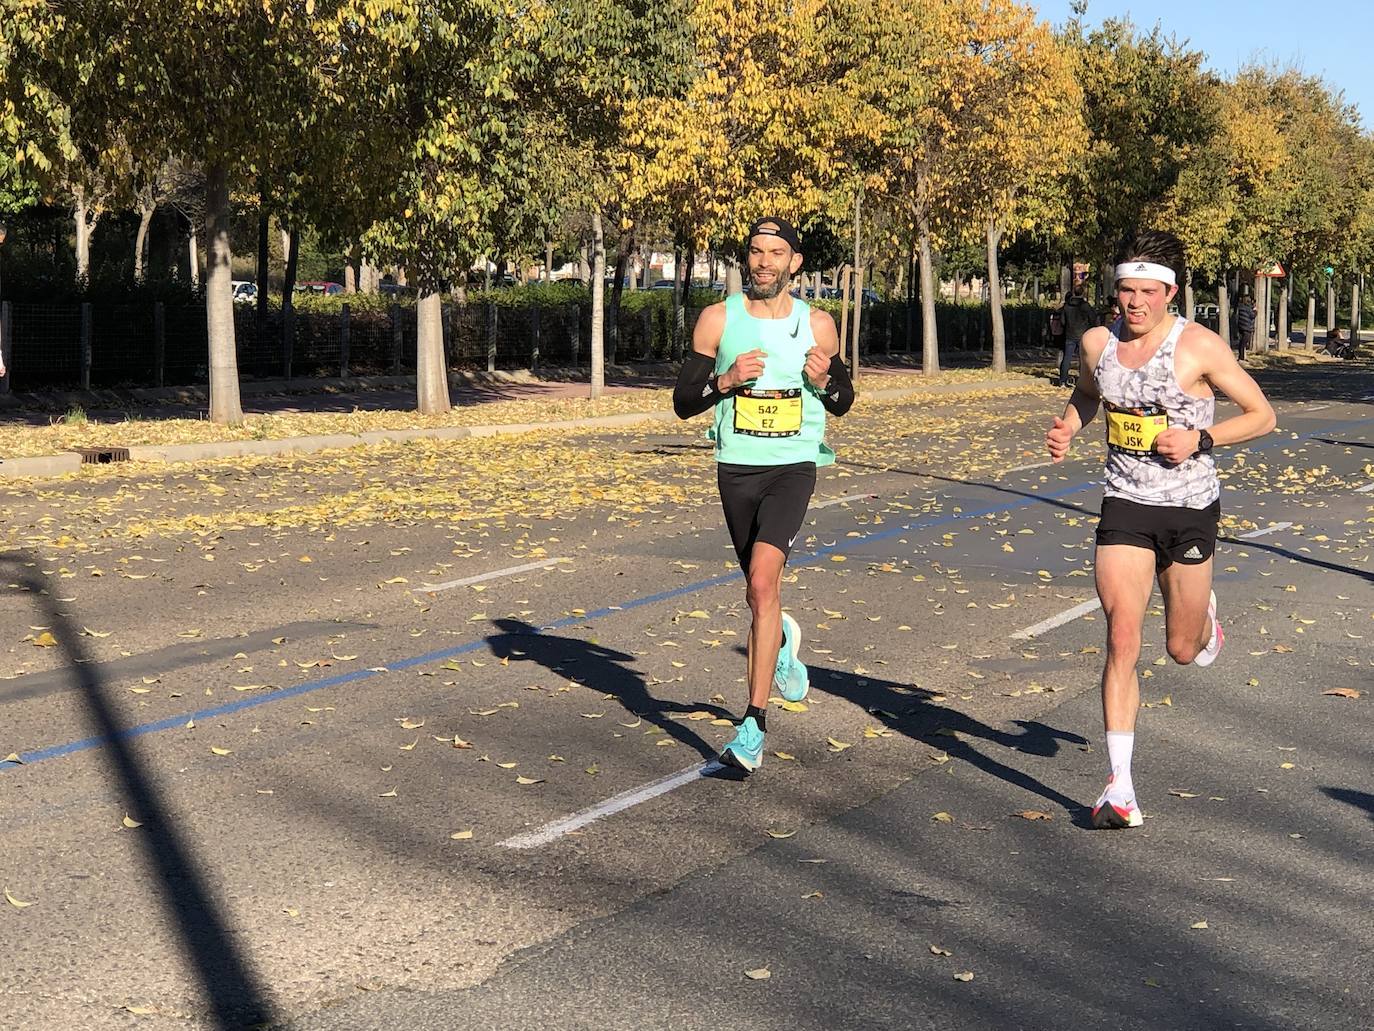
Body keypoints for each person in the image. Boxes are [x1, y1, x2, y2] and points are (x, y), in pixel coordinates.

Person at [1044, 229, 1276, 829]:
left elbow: (1262, 415)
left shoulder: (1198, 346)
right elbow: (1088, 393)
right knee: (1122, 636)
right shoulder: (1098, 342)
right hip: (1125, 503)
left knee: (1180, 647)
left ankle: (1204, 625)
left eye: (1148, 292)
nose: (1135, 304)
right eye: (1126, 292)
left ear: (1170, 292)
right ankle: (1119, 787)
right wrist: (1071, 425)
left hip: (1190, 507)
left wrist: (1200, 437)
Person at [673, 217, 855, 772]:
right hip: (737, 467)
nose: (764, 262)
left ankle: (752, 724)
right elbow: (684, 401)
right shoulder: (718, 320)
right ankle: (779, 645)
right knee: (757, 596)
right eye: (756, 251)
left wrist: (825, 384)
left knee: (762, 580)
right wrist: (725, 381)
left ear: (795, 263)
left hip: (792, 468)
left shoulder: (818, 325)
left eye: (777, 253)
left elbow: (844, 400)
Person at [1058, 275, 1099, 387]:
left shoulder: (1067, 306)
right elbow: (1093, 318)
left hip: (1070, 334)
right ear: (1082, 293)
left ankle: (1062, 380)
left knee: (1067, 357)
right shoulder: (1085, 306)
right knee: (1082, 359)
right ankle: (1081, 381)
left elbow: (1062, 321)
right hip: (1083, 335)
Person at [1233, 292, 1255, 362]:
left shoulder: (1241, 307)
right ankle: (1241, 357)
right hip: (1247, 327)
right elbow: (1252, 315)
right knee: (1244, 342)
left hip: (1241, 326)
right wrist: (1255, 311)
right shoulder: (1247, 308)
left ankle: (1241, 356)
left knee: (1242, 342)